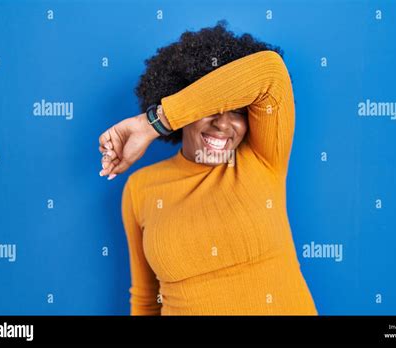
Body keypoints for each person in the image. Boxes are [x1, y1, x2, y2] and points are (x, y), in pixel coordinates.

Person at [98, 21, 318, 315]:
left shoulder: (263, 158)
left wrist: (153, 124)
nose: (223, 125)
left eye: (238, 112)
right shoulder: (140, 188)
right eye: (209, 109)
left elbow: (269, 71)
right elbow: (145, 300)